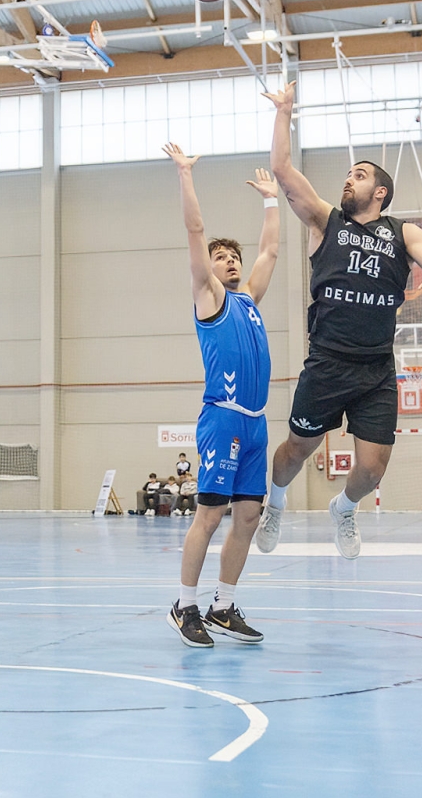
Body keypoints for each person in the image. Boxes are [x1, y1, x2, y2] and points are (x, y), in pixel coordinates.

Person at [257, 81, 422, 558]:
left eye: (359, 175)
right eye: (347, 174)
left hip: (376, 368)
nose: (349, 180)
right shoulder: (326, 221)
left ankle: (344, 508)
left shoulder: (402, 231)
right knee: (296, 451)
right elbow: (282, 169)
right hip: (327, 361)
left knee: (371, 469)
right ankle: (275, 502)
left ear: (379, 191)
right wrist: (283, 112)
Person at [161, 144, 280, 647]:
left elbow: (269, 252)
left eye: (234, 257)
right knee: (209, 515)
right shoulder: (209, 298)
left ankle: (223, 606)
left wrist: (272, 200)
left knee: (248, 516)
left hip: (256, 421)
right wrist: (185, 175)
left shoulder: (248, 298)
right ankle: (184, 605)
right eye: (221, 257)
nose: (230, 262)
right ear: (208, 267)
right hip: (223, 418)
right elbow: (194, 230)